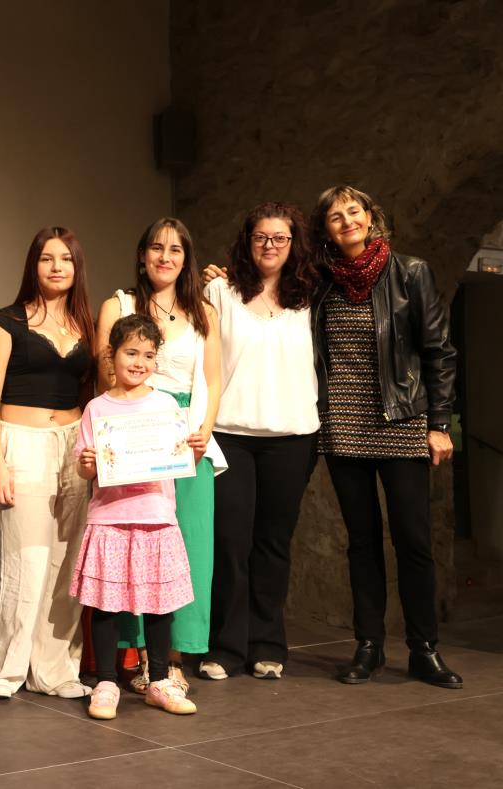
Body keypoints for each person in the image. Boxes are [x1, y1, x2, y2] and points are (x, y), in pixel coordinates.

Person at [310, 186, 461, 689]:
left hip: (402, 423)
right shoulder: (320, 285)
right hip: (344, 427)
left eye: (355, 211)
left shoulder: (410, 272)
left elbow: (439, 351)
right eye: (336, 216)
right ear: (326, 229)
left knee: (414, 541)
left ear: (372, 218)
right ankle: (369, 646)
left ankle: (423, 650)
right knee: (362, 543)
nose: (347, 220)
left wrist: (440, 424)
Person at [93, 217, 221, 692]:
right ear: (142, 255)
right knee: (136, 547)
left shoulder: (204, 310)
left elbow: (213, 377)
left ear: (186, 258)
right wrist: (127, 433)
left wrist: (203, 431)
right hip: (132, 436)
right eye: (156, 247)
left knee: (187, 548)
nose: (165, 256)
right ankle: (142, 655)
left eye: (176, 249)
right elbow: (106, 369)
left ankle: (174, 659)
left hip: (185, 439)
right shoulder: (119, 304)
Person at [0, 227, 94, 700]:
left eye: (65, 258)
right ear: (33, 265)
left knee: (67, 562)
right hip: (21, 441)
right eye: (47, 258)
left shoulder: (84, 325)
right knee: (28, 560)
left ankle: (56, 670)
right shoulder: (7, 323)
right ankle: (2, 670)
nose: (56, 266)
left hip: (74, 443)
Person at [200, 203, 320, 681]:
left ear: (294, 245)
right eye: (261, 238)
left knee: (273, 543)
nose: (270, 246)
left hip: (293, 435)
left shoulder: (312, 295)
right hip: (231, 433)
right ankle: (226, 646)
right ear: (247, 242)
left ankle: (267, 642)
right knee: (230, 542)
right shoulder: (219, 291)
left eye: (280, 238)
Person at [73, 313, 200, 719]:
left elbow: (179, 459)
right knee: (107, 604)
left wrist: (192, 450)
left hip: (156, 516)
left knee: (159, 603)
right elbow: (84, 466)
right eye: (131, 352)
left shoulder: (165, 405)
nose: (139, 362)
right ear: (112, 355)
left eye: (148, 354)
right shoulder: (96, 408)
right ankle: (106, 682)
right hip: (110, 516)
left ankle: (159, 679)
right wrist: (89, 464)